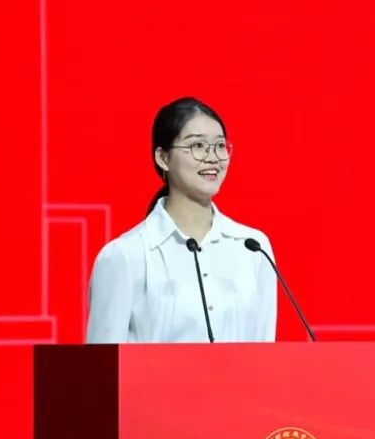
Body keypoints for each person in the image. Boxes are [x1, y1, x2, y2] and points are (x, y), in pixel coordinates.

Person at [85, 97, 277, 343]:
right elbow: (103, 361)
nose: (213, 157)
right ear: (163, 158)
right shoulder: (126, 255)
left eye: (219, 146)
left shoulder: (253, 247)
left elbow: (264, 350)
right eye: (198, 145)